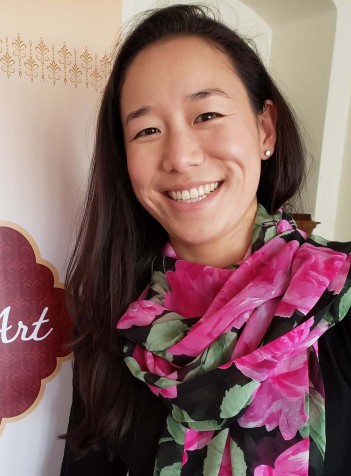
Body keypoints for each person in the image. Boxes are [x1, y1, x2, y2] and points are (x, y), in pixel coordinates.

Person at [60, 4, 351, 476]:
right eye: (147, 129)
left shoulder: (341, 293)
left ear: (264, 129)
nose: (180, 156)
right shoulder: (114, 326)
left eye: (207, 114)